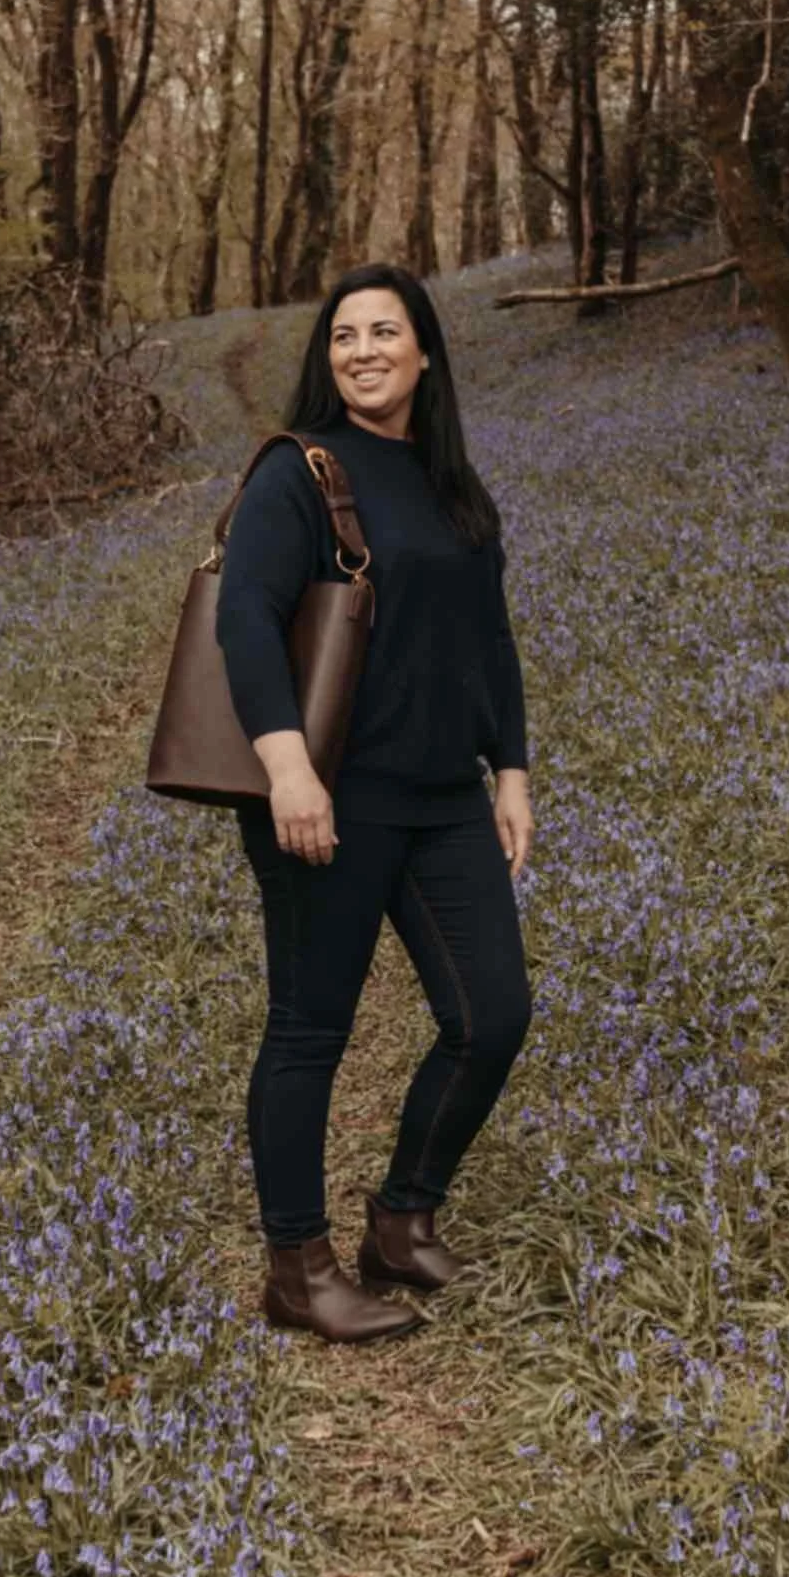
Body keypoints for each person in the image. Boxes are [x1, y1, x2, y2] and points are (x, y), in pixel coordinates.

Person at [215, 262, 534, 1345]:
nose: (363, 351)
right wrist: (288, 770)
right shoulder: (297, 473)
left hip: (443, 797)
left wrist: (512, 769)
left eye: (384, 332)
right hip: (328, 798)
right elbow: (245, 622)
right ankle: (297, 1270)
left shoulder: (452, 483)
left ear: (425, 351)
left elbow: (490, 639)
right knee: (310, 1028)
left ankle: (402, 1219)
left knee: (492, 1015)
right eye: (345, 335)